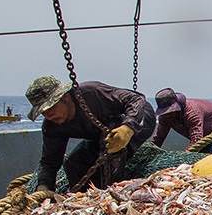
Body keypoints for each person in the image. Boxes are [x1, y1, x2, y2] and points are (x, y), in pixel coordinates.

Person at [26, 75, 155, 193]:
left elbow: (136, 99)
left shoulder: (91, 93)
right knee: (73, 162)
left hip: (141, 119)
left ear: (65, 98)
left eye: (50, 108)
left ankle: (112, 192)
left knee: (109, 139)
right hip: (100, 134)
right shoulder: (52, 125)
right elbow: (50, 160)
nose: (48, 115)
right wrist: (44, 186)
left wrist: (128, 128)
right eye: (43, 112)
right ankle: (84, 197)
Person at [152, 88, 212, 153]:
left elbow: (196, 139)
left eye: (171, 111)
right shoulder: (165, 118)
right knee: (202, 161)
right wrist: (150, 150)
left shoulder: (192, 112)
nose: (168, 115)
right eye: (166, 112)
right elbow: (159, 138)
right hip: (204, 134)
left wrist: (184, 157)